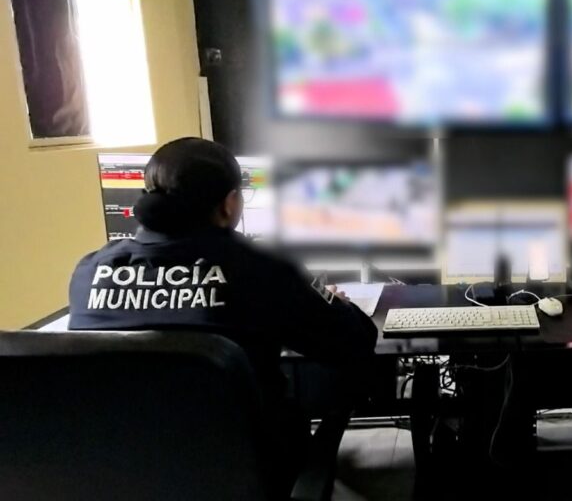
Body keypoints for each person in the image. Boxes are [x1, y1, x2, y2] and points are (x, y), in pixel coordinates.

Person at [68, 137, 378, 491]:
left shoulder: (89, 273)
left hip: (118, 474)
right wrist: (332, 302)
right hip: (248, 474)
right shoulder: (261, 269)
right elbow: (355, 341)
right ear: (229, 204)